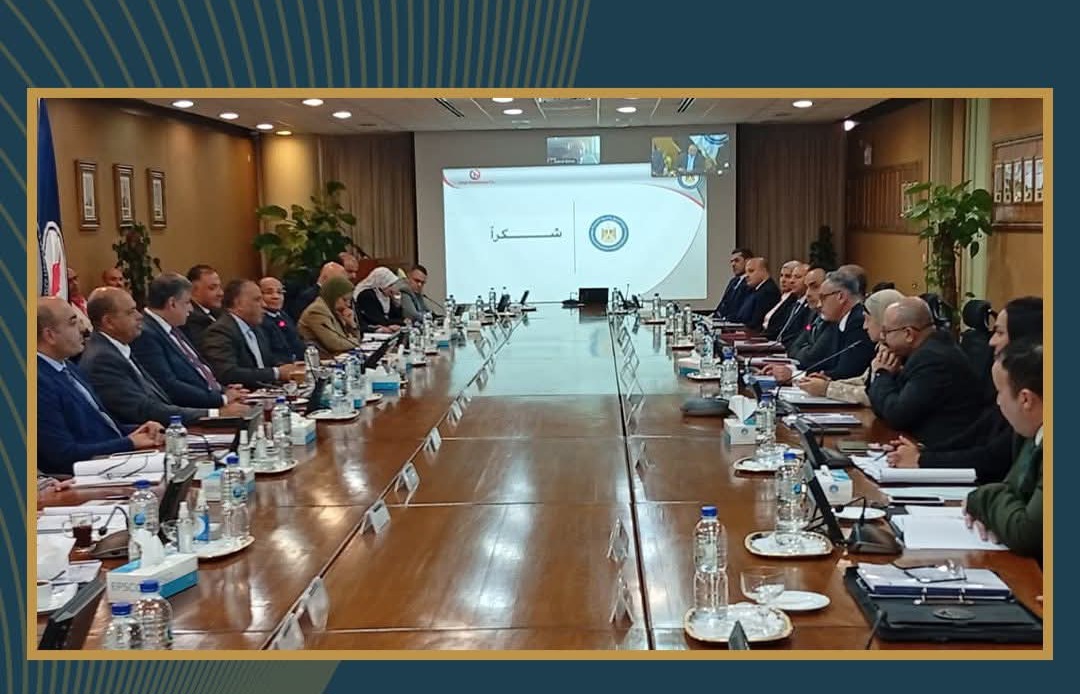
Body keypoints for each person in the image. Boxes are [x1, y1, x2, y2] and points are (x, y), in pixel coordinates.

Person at [885, 296, 1042, 483]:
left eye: (1000, 333)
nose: (991, 342)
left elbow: (994, 459)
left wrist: (923, 459)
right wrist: (922, 451)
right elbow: (976, 434)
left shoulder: (1031, 398)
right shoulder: (999, 377)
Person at [80, 288, 245, 426]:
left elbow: (157, 399)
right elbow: (143, 410)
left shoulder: (117, 348)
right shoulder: (103, 359)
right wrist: (214, 414)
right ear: (109, 322)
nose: (139, 316)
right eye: (131, 312)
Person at [37, 297, 163, 476]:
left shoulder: (68, 367)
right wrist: (129, 443)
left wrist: (141, 430)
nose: (83, 328)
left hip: (112, 463)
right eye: (73, 323)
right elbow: (63, 455)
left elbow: (103, 427)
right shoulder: (37, 382)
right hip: (85, 476)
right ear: (50, 335)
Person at [866, 297, 985, 449]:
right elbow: (880, 404)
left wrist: (882, 374)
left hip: (941, 451)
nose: (882, 337)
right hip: (915, 442)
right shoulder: (922, 350)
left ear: (908, 334)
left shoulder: (932, 359)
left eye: (886, 332)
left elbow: (897, 415)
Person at [964, 340, 1043, 560]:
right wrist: (994, 516)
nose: (998, 402)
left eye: (1000, 392)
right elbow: (1010, 491)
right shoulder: (1032, 432)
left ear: (1025, 399)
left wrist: (981, 499)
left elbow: (1027, 534)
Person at [132, 273, 250, 410]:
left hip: (211, 399)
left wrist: (223, 390)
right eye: (187, 302)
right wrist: (221, 399)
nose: (191, 309)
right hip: (192, 412)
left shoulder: (173, 326)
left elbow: (197, 370)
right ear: (172, 303)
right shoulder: (146, 335)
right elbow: (169, 386)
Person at [796, 288, 905, 405]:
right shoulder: (883, 348)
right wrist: (830, 383)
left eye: (867, 319)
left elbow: (873, 395)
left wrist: (827, 389)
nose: (864, 326)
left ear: (883, 320)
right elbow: (865, 381)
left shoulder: (898, 354)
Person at [767, 270, 874, 382]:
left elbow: (846, 373)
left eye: (823, 297)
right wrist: (791, 370)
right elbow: (825, 363)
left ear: (841, 297)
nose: (819, 303)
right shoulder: (840, 320)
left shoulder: (858, 322)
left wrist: (794, 375)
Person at [201, 280, 305, 389]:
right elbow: (227, 373)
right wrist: (276, 373)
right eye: (257, 300)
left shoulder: (256, 328)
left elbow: (267, 361)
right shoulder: (220, 332)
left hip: (270, 391)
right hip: (244, 394)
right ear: (238, 304)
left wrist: (289, 368)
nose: (264, 305)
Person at [298, 276, 362, 357]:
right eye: (345, 300)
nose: (348, 304)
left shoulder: (333, 309)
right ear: (333, 296)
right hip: (322, 359)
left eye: (349, 300)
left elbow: (347, 339)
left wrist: (351, 324)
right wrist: (356, 341)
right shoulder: (317, 311)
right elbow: (335, 344)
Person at [259, 277, 305, 364]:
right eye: (269, 292)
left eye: (280, 292)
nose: (276, 297)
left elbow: (297, 342)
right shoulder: (258, 321)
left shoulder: (283, 316)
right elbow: (267, 355)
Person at [766, 262, 810, 344]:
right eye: (792, 277)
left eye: (797, 277)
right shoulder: (794, 304)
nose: (792, 281)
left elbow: (803, 333)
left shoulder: (809, 306)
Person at [181, 264, 224, 349]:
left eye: (219, 287)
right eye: (212, 288)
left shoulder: (218, 312)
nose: (221, 293)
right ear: (193, 290)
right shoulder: (189, 318)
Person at [732, 257, 781, 331]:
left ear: (763, 271)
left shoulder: (768, 292)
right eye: (746, 272)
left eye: (751, 271)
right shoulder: (754, 289)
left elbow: (756, 323)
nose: (746, 275)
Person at [354, 267, 404, 333]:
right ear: (381, 283)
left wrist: (397, 302)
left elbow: (396, 317)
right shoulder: (366, 295)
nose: (393, 288)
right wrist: (402, 322)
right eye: (390, 285)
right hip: (370, 332)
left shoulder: (385, 295)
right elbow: (379, 320)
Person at [713, 248, 753, 319]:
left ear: (748, 261)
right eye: (731, 261)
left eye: (737, 260)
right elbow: (723, 303)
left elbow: (741, 309)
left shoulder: (751, 282)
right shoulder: (733, 281)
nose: (733, 264)